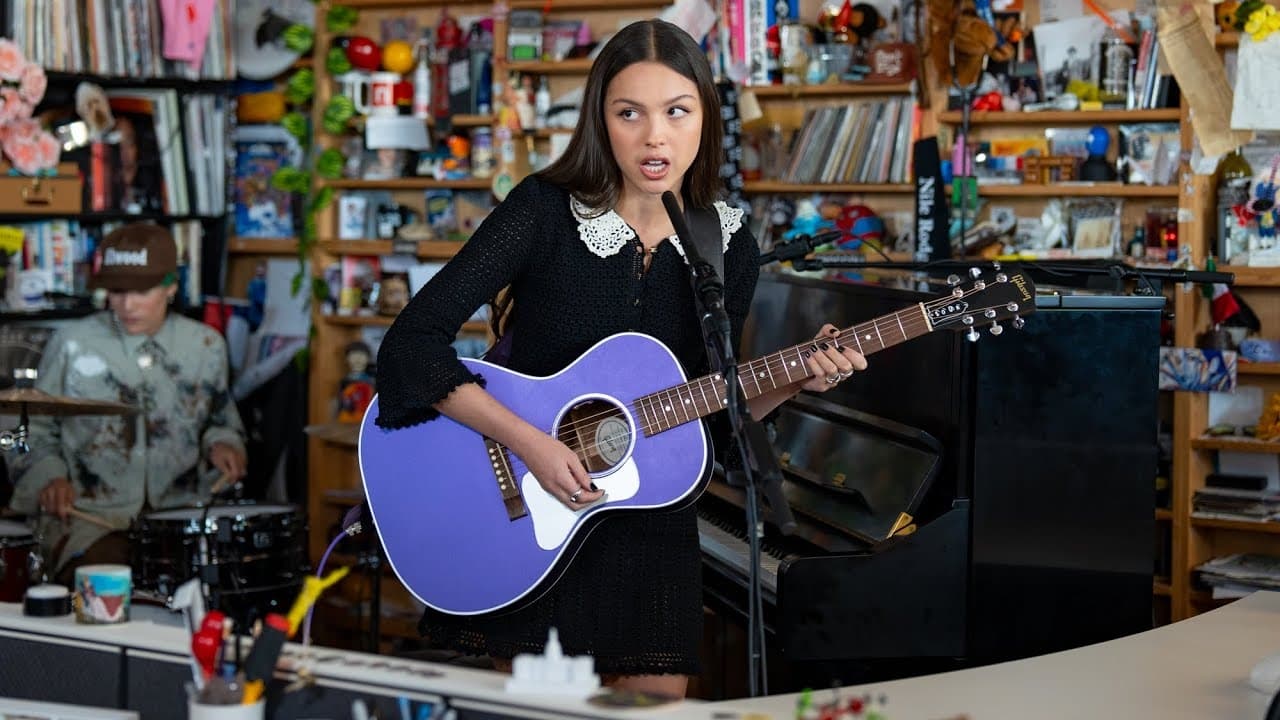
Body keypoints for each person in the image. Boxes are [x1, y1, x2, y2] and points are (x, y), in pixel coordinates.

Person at [373, 19, 865, 697]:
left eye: (676, 112)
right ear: (601, 120)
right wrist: (533, 446)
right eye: (629, 113)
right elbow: (410, 344)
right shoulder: (544, 213)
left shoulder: (728, 246)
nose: (654, 136)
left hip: (649, 537)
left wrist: (799, 374)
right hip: (528, 514)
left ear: (704, 122)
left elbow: (712, 420)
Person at [8, 223, 247, 587]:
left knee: (210, 595)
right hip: (90, 519)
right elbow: (31, 428)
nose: (127, 305)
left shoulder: (205, 346)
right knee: (98, 596)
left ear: (171, 286)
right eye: (117, 292)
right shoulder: (73, 343)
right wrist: (50, 477)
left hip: (182, 517)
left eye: (141, 291)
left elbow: (219, 418)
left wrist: (224, 443)